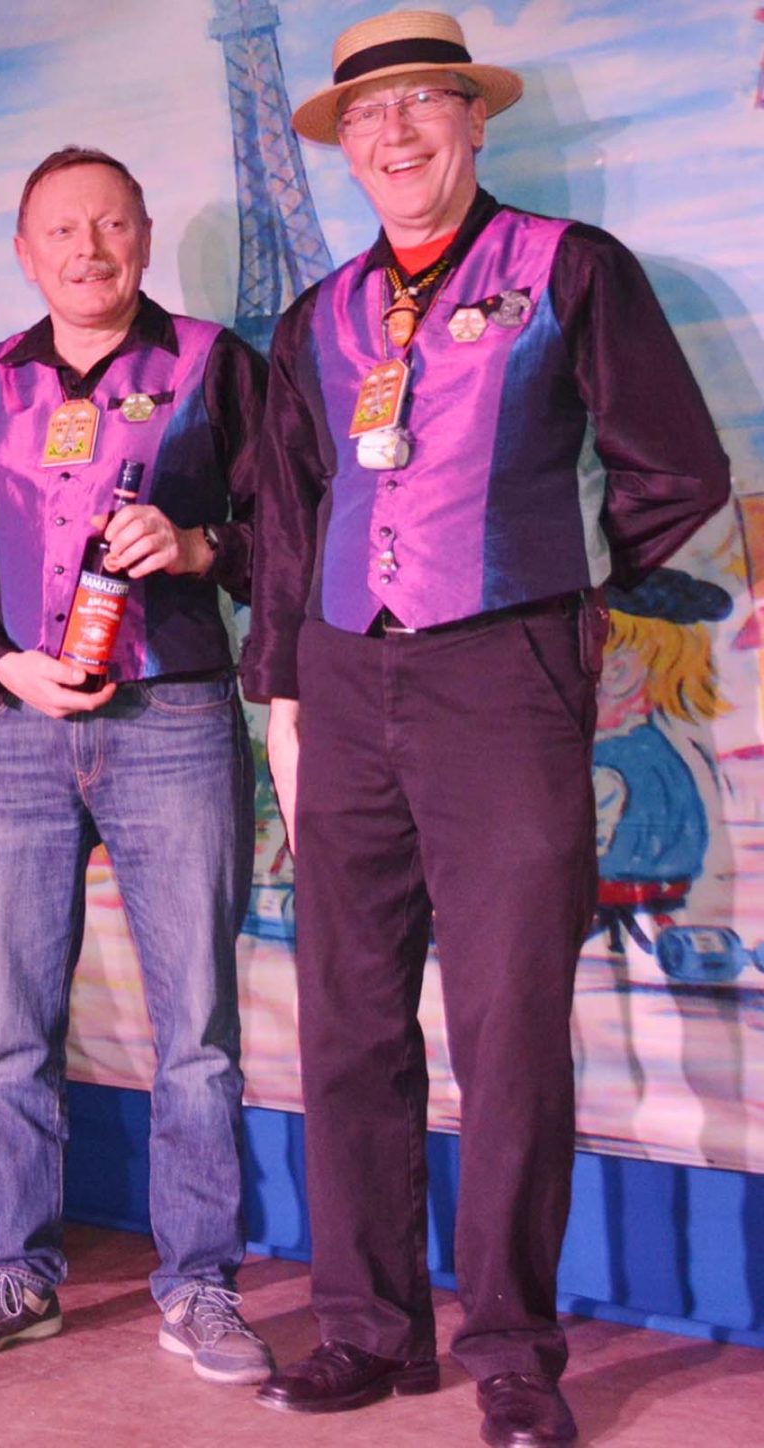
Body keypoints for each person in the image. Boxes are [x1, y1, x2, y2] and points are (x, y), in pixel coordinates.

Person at [243, 12, 731, 1445]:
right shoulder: (315, 317)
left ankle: (514, 1345)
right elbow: (290, 523)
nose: (394, 135)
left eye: (421, 105)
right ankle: (365, 1324)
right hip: (343, 679)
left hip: (502, 677)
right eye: (367, 116)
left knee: (510, 1025)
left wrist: (559, 589)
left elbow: (676, 469)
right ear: (346, 149)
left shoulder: (570, 268)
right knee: (346, 1016)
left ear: (472, 118)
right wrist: (284, 696)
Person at [0, 147, 270, 1380]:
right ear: (24, 251)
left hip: (178, 718)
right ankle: (15, 1269)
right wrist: (4, 668)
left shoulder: (216, 366)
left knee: (196, 1029)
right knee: (14, 1028)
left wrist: (203, 545)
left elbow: (298, 529)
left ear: (145, 236)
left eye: (111, 225)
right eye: (62, 230)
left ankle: (202, 1282)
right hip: (18, 731)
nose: (89, 249)